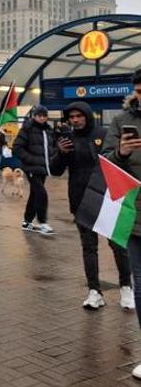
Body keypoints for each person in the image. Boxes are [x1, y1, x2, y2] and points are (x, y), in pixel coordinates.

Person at [51, 101, 132, 310]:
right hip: (80, 199)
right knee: (89, 246)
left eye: (79, 116)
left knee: (117, 245)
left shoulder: (103, 133)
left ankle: (126, 287)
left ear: (87, 115)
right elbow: (56, 171)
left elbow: (119, 162)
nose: (75, 120)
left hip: (107, 198)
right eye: (71, 117)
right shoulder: (66, 139)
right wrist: (60, 152)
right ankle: (94, 291)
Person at [103, 71, 141, 379]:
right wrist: (121, 152)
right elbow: (107, 162)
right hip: (136, 217)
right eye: (139, 90)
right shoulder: (121, 121)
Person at [13, 104, 57, 235]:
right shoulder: (27, 129)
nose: (42, 118)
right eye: (39, 115)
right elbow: (17, 148)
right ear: (34, 116)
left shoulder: (49, 130)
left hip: (43, 168)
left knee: (34, 194)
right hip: (31, 167)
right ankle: (43, 222)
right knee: (41, 193)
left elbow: (52, 147)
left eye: (44, 116)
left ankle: (27, 221)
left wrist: (51, 157)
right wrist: (30, 159)